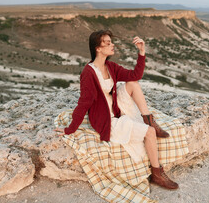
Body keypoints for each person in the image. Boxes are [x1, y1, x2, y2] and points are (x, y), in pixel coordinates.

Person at [54, 30, 178, 190]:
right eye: (107, 42)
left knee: (133, 83)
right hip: (106, 120)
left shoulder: (110, 66)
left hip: (114, 106)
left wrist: (141, 52)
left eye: (111, 42)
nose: (112, 45)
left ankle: (149, 119)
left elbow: (135, 75)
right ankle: (157, 174)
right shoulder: (88, 73)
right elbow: (83, 103)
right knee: (149, 133)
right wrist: (70, 129)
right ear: (98, 48)